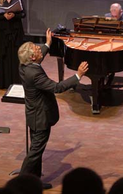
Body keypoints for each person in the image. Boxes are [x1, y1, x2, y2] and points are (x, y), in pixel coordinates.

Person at [17, 30, 88, 189]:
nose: (39, 48)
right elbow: (56, 87)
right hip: (40, 116)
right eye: (36, 48)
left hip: (33, 114)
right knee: (35, 152)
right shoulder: (35, 74)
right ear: (33, 58)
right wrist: (78, 75)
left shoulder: (24, 64)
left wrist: (48, 43)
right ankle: (21, 185)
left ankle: (34, 182)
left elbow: (38, 54)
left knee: (37, 151)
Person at [0, 0, 25, 89]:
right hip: (4, 32)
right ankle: (5, 83)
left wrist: (14, 15)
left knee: (17, 56)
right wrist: (4, 16)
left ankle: (17, 81)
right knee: (5, 55)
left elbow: (23, 14)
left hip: (16, 31)